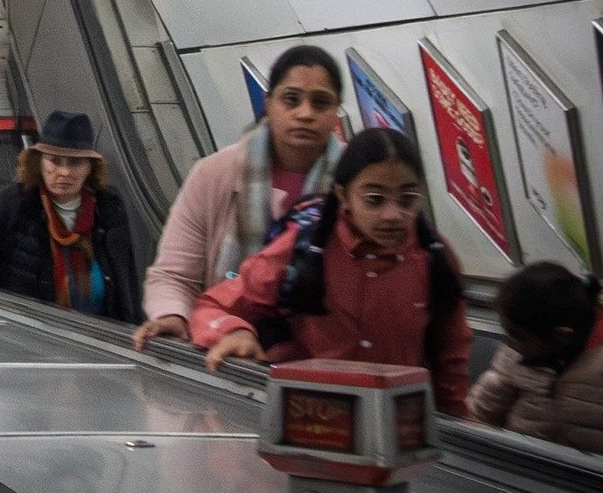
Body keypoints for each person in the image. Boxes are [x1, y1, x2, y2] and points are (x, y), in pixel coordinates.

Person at [189, 128, 472, 415]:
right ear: (343, 195)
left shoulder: (435, 259)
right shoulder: (302, 248)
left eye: (407, 200)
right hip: (311, 419)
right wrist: (235, 332)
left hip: (398, 424)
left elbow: (451, 360)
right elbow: (212, 305)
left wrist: (457, 421)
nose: (393, 215)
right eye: (374, 200)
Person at [133, 45, 346, 351]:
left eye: (321, 103)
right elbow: (173, 276)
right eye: (291, 99)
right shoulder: (215, 174)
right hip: (227, 354)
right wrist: (173, 315)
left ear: (336, 111)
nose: (305, 113)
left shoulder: (357, 182)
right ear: (269, 104)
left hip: (323, 359)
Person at [0, 111, 141, 320]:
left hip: (103, 336)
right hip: (33, 334)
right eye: (55, 161)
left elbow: (126, 278)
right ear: (39, 163)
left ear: (90, 168)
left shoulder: (109, 206)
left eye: (75, 163)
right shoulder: (16, 203)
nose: (65, 172)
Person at [469, 263, 603, 459]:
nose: (508, 343)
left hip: (597, 472)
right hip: (526, 460)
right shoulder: (515, 354)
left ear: (562, 335)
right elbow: (488, 404)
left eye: (517, 336)